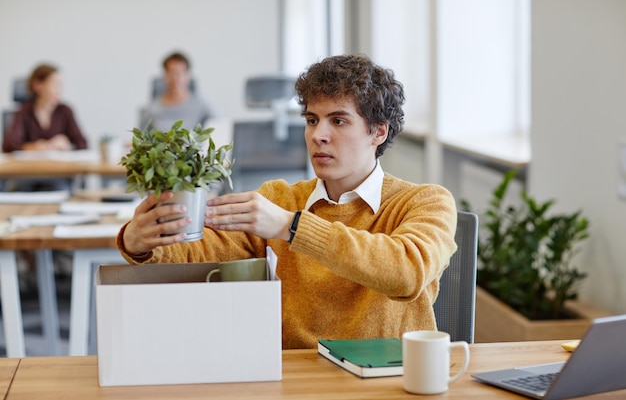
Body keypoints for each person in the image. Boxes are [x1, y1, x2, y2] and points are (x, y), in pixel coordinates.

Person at [116, 54, 458, 349]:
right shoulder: (279, 198)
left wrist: (290, 226)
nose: (318, 135)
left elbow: (406, 273)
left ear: (378, 132)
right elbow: (198, 252)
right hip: (294, 381)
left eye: (338, 120)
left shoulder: (425, 202)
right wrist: (142, 243)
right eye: (312, 120)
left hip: (387, 385)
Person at [2, 63, 88, 153]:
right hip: (31, 166)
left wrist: (68, 146)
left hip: (60, 166)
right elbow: (8, 145)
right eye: (55, 84)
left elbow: (82, 143)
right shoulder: (24, 112)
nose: (59, 90)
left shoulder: (65, 111)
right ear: (38, 86)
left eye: (60, 85)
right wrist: (33, 147)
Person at [141, 51, 215, 131]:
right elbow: (140, 137)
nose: (175, 78)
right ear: (164, 75)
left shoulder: (200, 104)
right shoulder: (152, 108)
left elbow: (219, 126)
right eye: (171, 72)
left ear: (188, 75)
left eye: (179, 73)